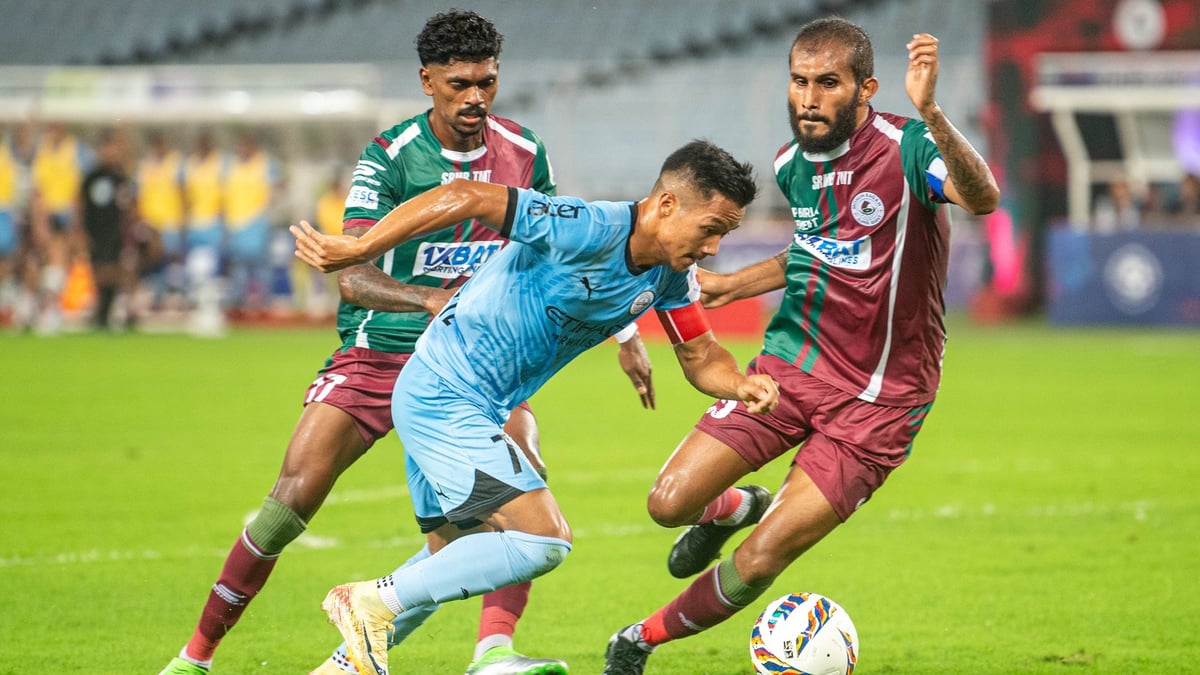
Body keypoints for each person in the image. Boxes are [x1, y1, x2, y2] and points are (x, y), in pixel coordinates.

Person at [158, 10, 654, 675]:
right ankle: (195, 656)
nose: (475, 96)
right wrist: (425, 298)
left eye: (486, 81)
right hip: (381, 349)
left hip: (477, 362)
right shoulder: (390, 157)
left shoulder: (526, 153)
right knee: (291, 499)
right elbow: (353, 278)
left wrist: (625, 330)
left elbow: (566, 248)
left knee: (518, 490)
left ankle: (491, 653)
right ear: (427, 81)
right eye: (459, 83)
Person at [290, 138, 781, 675]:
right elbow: (467, 195)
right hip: (442, 395)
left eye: (724, 234)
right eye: (710, 228)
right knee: (541, 542)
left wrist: (740, 385)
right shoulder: (585, 226)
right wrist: (363, 248)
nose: (712, 248)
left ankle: (341, 667)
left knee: (454, 559)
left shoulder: (669, 275)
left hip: (470, 403)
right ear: (667, 205)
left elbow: (701, 356)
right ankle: (365, 603)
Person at [601, 20, 1000, 674]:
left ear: (865, 88)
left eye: (827, 83)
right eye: (799, 81)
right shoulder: (792, 165)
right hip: (791, 368)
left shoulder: (910, 147)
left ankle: (638, 639)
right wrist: (733, 284)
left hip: (881, 401)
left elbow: (982, 196)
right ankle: (740, 503)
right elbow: (818, 251)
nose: (808, 97)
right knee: (667, 503)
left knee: (761, 558)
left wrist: (931, 111)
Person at [79, 128, 135, 330]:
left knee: (112, 270)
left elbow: (129, 205)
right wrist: (80, 231)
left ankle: (108, 312)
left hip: (114, 231)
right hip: (95, 229)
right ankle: (101, 312)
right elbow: (80, 204)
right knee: (98, 271)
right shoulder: (92, 177)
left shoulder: (120, 178)